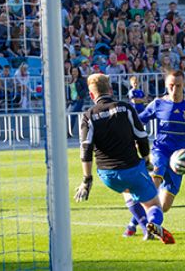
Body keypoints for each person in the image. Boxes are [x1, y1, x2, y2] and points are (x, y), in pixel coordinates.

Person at [74, 73, 175, 244]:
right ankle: (152, 224)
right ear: (111, 90)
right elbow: (141, 137)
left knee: (127, 192)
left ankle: (144, 230)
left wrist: (86, 179)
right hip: (132, 168)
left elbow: (86, 149)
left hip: (107, 174)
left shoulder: (88, 115)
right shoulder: (125, 108)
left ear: (92, 95)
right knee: (154, 205)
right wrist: (147, 160)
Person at [123, 70, 185, 237]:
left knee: (163, 206)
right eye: (171, 86)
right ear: (166, 85)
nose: (174, 89)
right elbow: (139, 121)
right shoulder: (158, 104)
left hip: (180, 159)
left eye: (178, 86)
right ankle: (140, 226)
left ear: (184, 84)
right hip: (160, 151)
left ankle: (149, 225)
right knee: (152, 188)